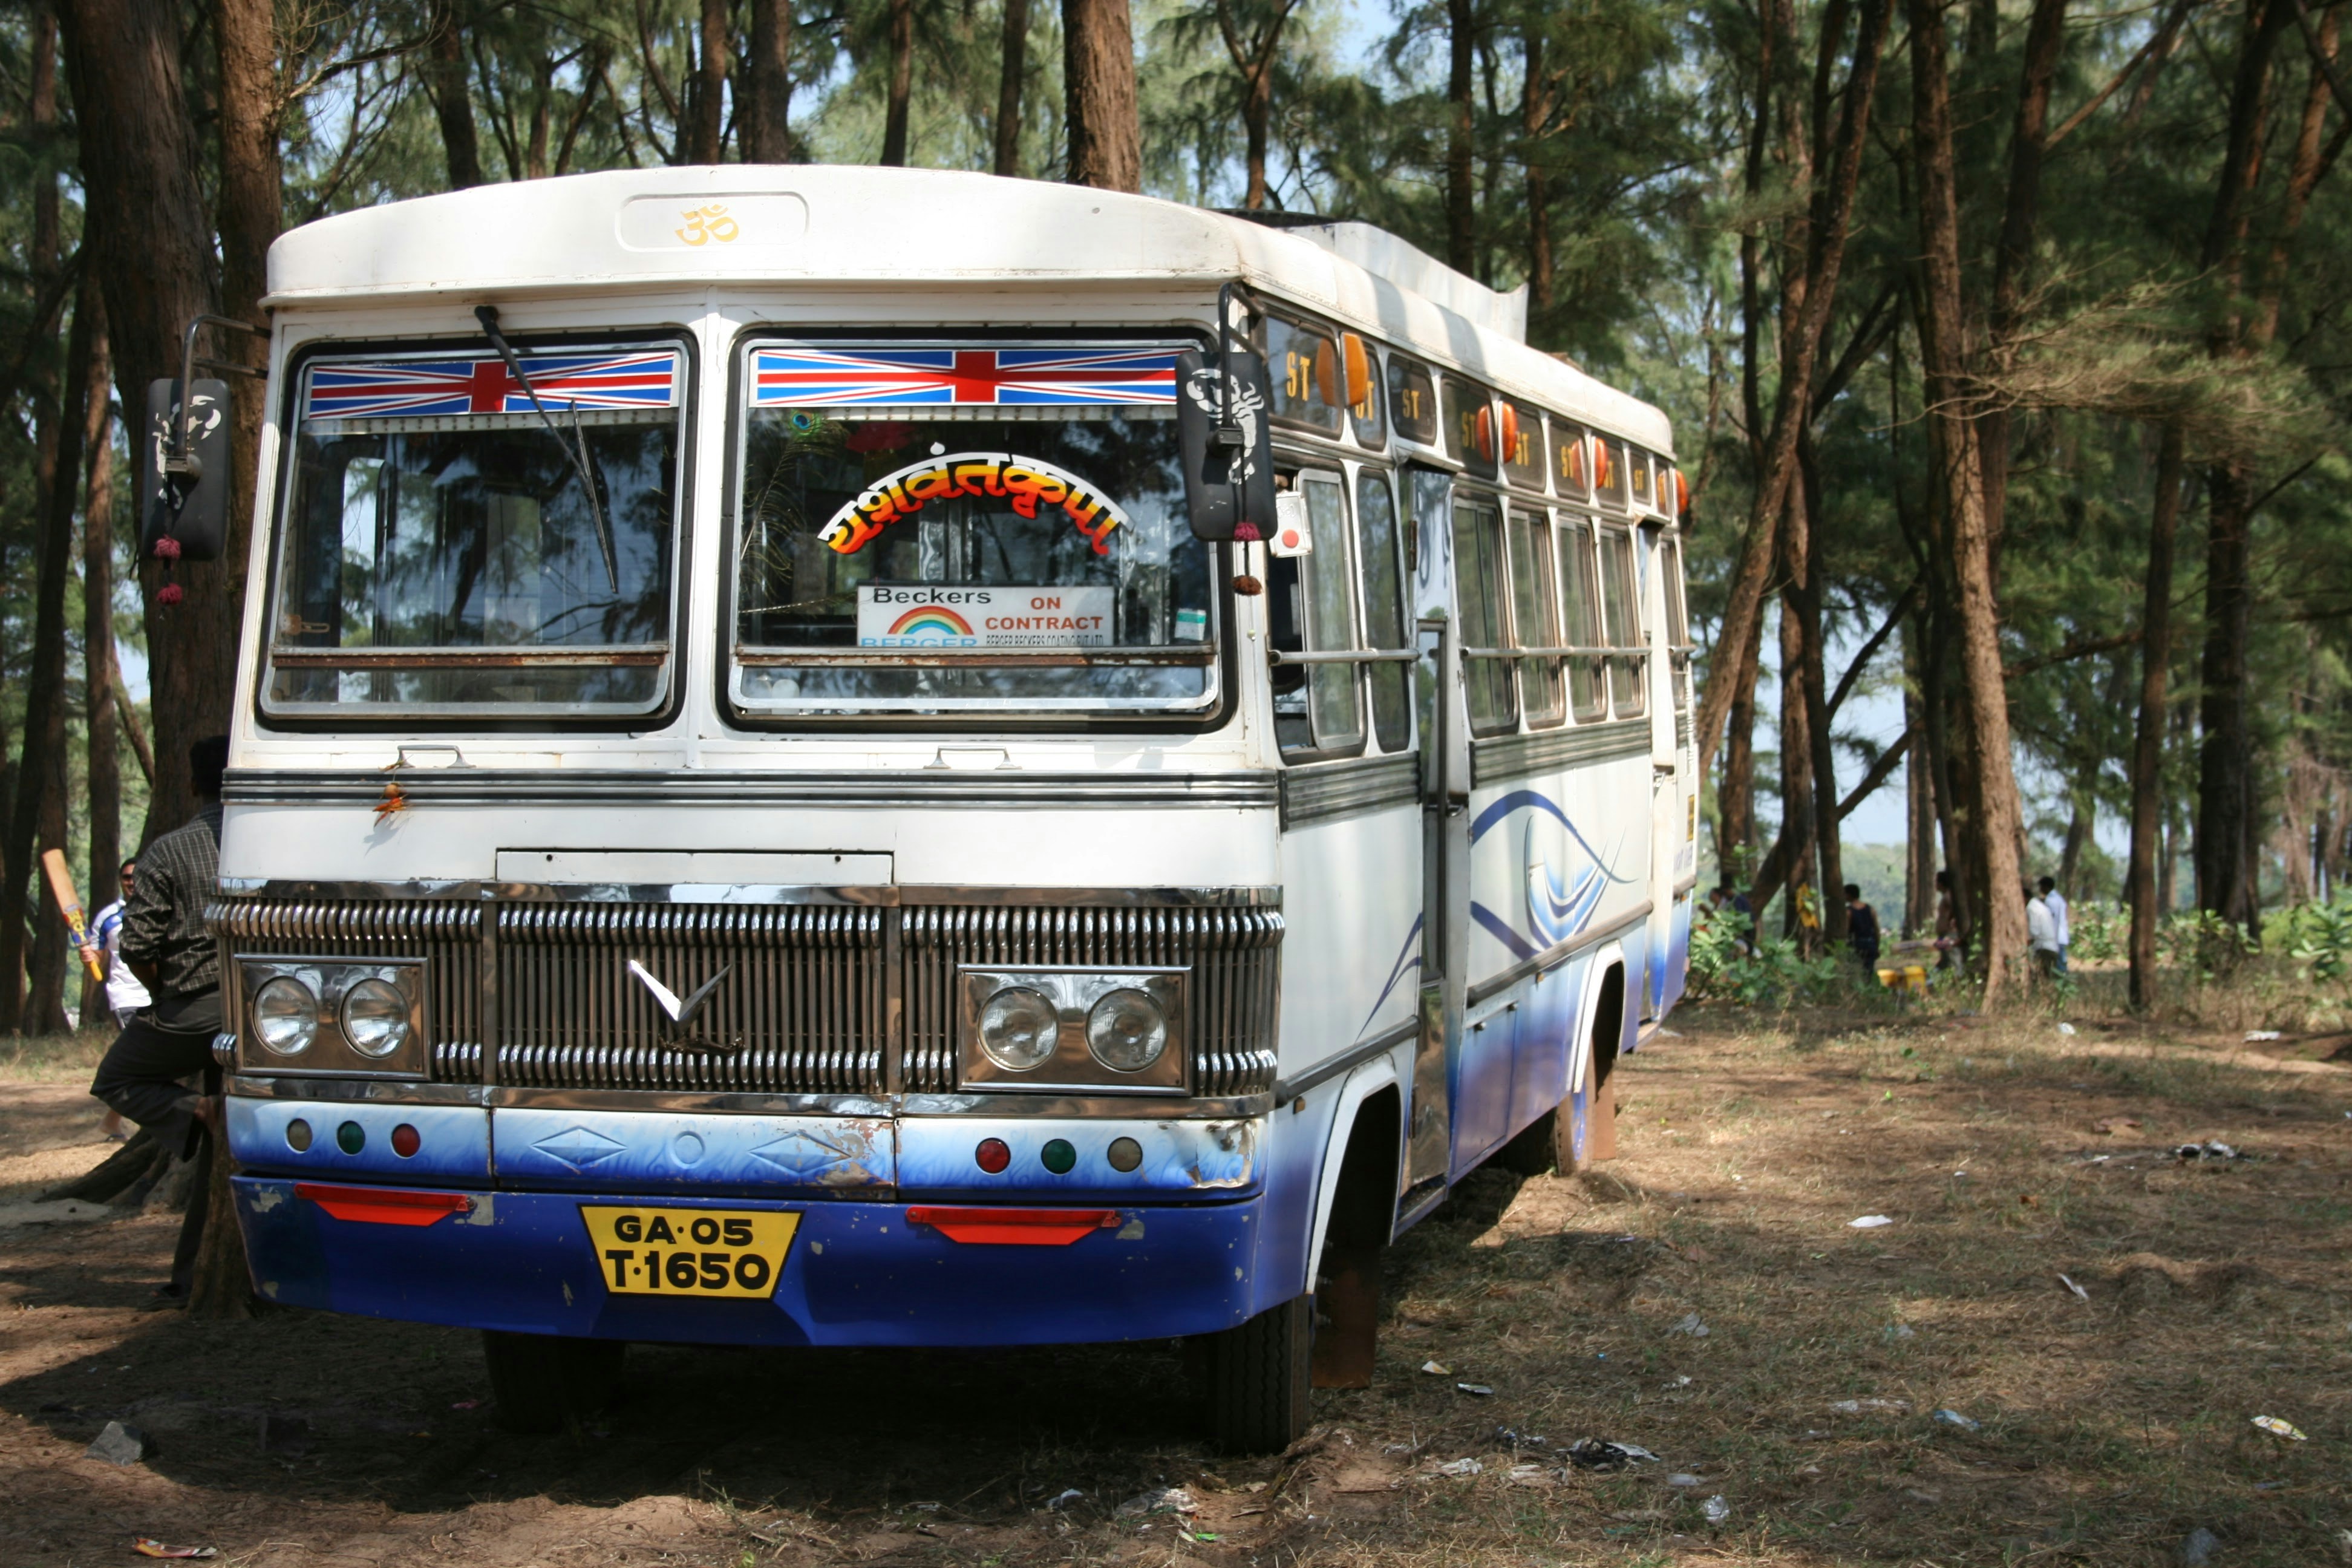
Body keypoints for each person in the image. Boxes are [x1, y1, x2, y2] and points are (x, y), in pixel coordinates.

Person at [91, 737, 230, 1298]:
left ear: (193, 785)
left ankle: (197, 1108)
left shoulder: (169, 851)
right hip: (279, 1016)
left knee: (117, 1079)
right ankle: (190, 1278)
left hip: (197, 1013)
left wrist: (164, 994)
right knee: (221, 1154)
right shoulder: (280, 843)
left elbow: (140, 945)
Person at [83, 857, 151, 1030]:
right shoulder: (107, 917)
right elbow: (96, 957)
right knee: (138, 1048)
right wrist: (88, 957)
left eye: (137, 876)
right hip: (127, 996)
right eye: (127, 877)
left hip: (161, 996)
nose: (132, 882)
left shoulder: (162, 911)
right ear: (121, 881)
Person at [2026, 882, 2060, 983]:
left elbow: (2034, 931)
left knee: (2042, 977)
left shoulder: (2031, 909)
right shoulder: (2040, 906)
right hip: (2053, 946)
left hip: (2043, 947)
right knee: (2049, 977)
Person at [2037, 876, 2070, 976]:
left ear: (2046, 887)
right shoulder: (2059, 898)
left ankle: (2060, 981)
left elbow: (2050, 918)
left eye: (2041, 887)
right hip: (2061, 935)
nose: (2040, 890)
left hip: (2055, 935)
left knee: (2056, 962)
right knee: (2061, 961)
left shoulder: (2050, 900)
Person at [1844, 884, 1881, 970]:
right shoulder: (1871, 909)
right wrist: (1877, 946)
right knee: (1869, 972)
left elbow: (1846, 931)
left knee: (1856, 972)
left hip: (1856, 946)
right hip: (1870, 944)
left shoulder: (1849, 912)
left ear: (1849, 895)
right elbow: (1877, 930)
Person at [1933, 869, 1960, 969]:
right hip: (1943, 935)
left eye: (1936, 882)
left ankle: (1957, 979)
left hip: (1949, 934)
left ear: (1941, 883)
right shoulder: (1946, 896)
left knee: (1952, 960)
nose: (1935, 885)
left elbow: (1955, 908)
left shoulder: (1948, 896)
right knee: (1945, 959)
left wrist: (1952, 920)